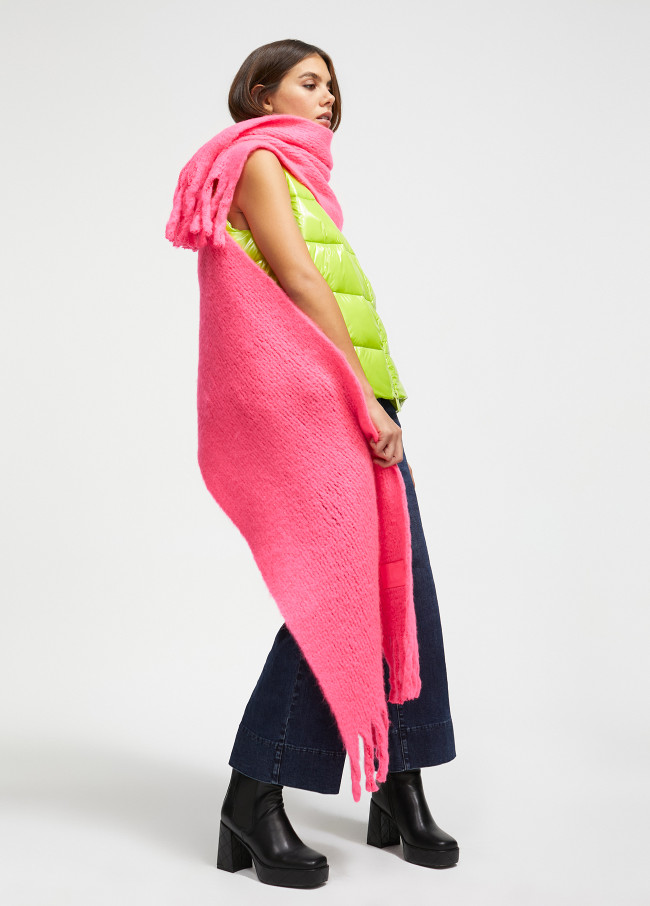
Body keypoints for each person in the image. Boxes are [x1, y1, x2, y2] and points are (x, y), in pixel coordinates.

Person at [183, 39, 459, 889]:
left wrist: (377, 395)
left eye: (332, 86)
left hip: (364, 400)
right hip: (333, 407)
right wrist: (363, 399)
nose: (328, 97)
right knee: (334, 597)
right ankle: (253, 792)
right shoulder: (259, 158)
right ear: (262, 93)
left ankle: (398, 786)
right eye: (310, 82)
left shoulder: (300, 174)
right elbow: (301, 281)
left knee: (400, 593)